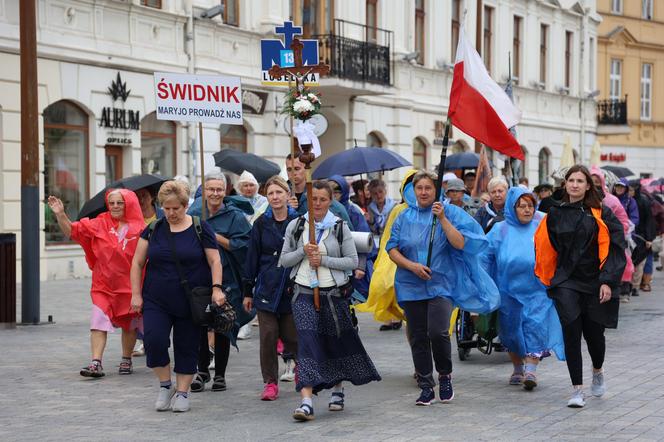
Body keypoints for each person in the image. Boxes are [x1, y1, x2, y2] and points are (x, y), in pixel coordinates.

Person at [386, 170, 500, 406]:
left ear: (436, 191)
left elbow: (461, 243)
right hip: (410, 284)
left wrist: (444, 219)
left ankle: (445, 375)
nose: (424, 192)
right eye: (420, 188)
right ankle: (426, 385)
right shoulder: (404, 217)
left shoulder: (451, 213)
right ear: (413, 191)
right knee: (417, 336)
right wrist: (412, 266)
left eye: (429, 188)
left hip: (442, 284)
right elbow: (392, 248)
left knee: (437, 331)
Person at [279, 180, 381, 421]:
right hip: (303, 291)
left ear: (330, 201)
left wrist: (323, 260)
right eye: (313, 199)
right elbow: (284, 260)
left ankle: (337, 388)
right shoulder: (296, 226)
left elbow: (351, 261)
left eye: (322, 200)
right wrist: (303, 251)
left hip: (333, 294)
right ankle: (306, 401)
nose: (317, 204)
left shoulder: (339, 227)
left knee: (335, 341)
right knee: (306, 342)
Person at [534, 165, 626, 408]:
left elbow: (616, 247)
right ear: (565, 184)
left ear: (588, 186)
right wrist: (549, 276)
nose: (574, 184)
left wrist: (607, 280)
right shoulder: (555, 212)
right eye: (571, 180)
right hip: (567, 281)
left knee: (595, 335)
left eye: (580, 181)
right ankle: (577, 390)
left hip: (596, 281)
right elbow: (546, 247)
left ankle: (597, 370)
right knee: (571, 331)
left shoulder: (601, 213)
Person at [129, 180, 224, 412]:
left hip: (191, 299)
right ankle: (165, 385)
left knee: (187, 346)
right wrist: (135, 294)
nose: (170, 213)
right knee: (154, 341)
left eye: (176, 208)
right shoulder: (153, 229)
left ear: (185, 206)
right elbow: (137, 262)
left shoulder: (200, 227)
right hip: (156, 298)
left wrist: (217, 288)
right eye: (166, 208)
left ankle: (182, 392)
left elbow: (214, 260)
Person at [47, 189, 144, 377]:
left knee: (128, 324)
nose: (115, 206)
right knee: (98, 321)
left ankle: (126, 359)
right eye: (112, 202)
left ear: (129, 204)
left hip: (129, 286)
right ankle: (95, 362)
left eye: (120, 203)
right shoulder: (100, 222)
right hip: (103, 285)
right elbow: (73, 231)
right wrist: (60, 214)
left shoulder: (140, 228)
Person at [481, 187, 565, 390]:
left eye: (531, 205)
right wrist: (482, 281)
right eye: (522, 206)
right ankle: (518, 366)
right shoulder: (500, 229)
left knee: (535, 327)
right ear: (512, 207)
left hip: (538, 289)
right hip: (508, 291)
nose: (527, 210)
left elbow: (561, 244)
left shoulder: (544, 222)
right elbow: (484, 255)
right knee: (511, 332)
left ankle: (531, 371)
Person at [188, 173, 253, 393]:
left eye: (219, 189)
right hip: (199, 277)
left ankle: (220, 375)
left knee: (223, 325)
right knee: (200, 324)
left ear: (225, 191)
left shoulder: (235, 216)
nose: (215, 193)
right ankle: (202, 371)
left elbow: (243, 246)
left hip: (228, 279)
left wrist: (213, 236)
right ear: (204, 190)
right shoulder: (195, 213)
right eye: (211, 189)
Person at [242, 176, 299, 401]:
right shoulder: (261, 223)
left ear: (287, 195)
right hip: (266, 286)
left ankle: (301, 371)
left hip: (291, 286)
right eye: (271, 193)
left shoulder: (299, 221)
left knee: (292, 335)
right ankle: (270, 382)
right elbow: (252, 257)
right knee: (267, 336)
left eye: (279, 192)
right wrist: (248, 290)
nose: (275, 197)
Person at [590, 167, 635, 303]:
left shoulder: (611, 200)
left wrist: (614, 232)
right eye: (591, 181)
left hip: (611, 239)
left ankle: (623, 289)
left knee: (619, 262)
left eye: (597, 181)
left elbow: (623, 220)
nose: (594, 184)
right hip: (592, 243)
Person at [285, 152, 352, 226]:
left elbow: (340, 213)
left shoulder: (318, 192)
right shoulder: (281, 193)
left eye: (297, 169)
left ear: (306, 169)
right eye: (289, 169)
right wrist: (286, 209)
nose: (293, 173)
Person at [628, 180, 657, 296]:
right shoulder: (627, 201)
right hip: (630, 234)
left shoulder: (643, 201)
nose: (629, 192)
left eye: (631, 190)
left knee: (640, 262)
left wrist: (649, 238)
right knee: (631, 262)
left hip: (642, 236)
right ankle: (631, 285)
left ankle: (637, 286)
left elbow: (649, 221)